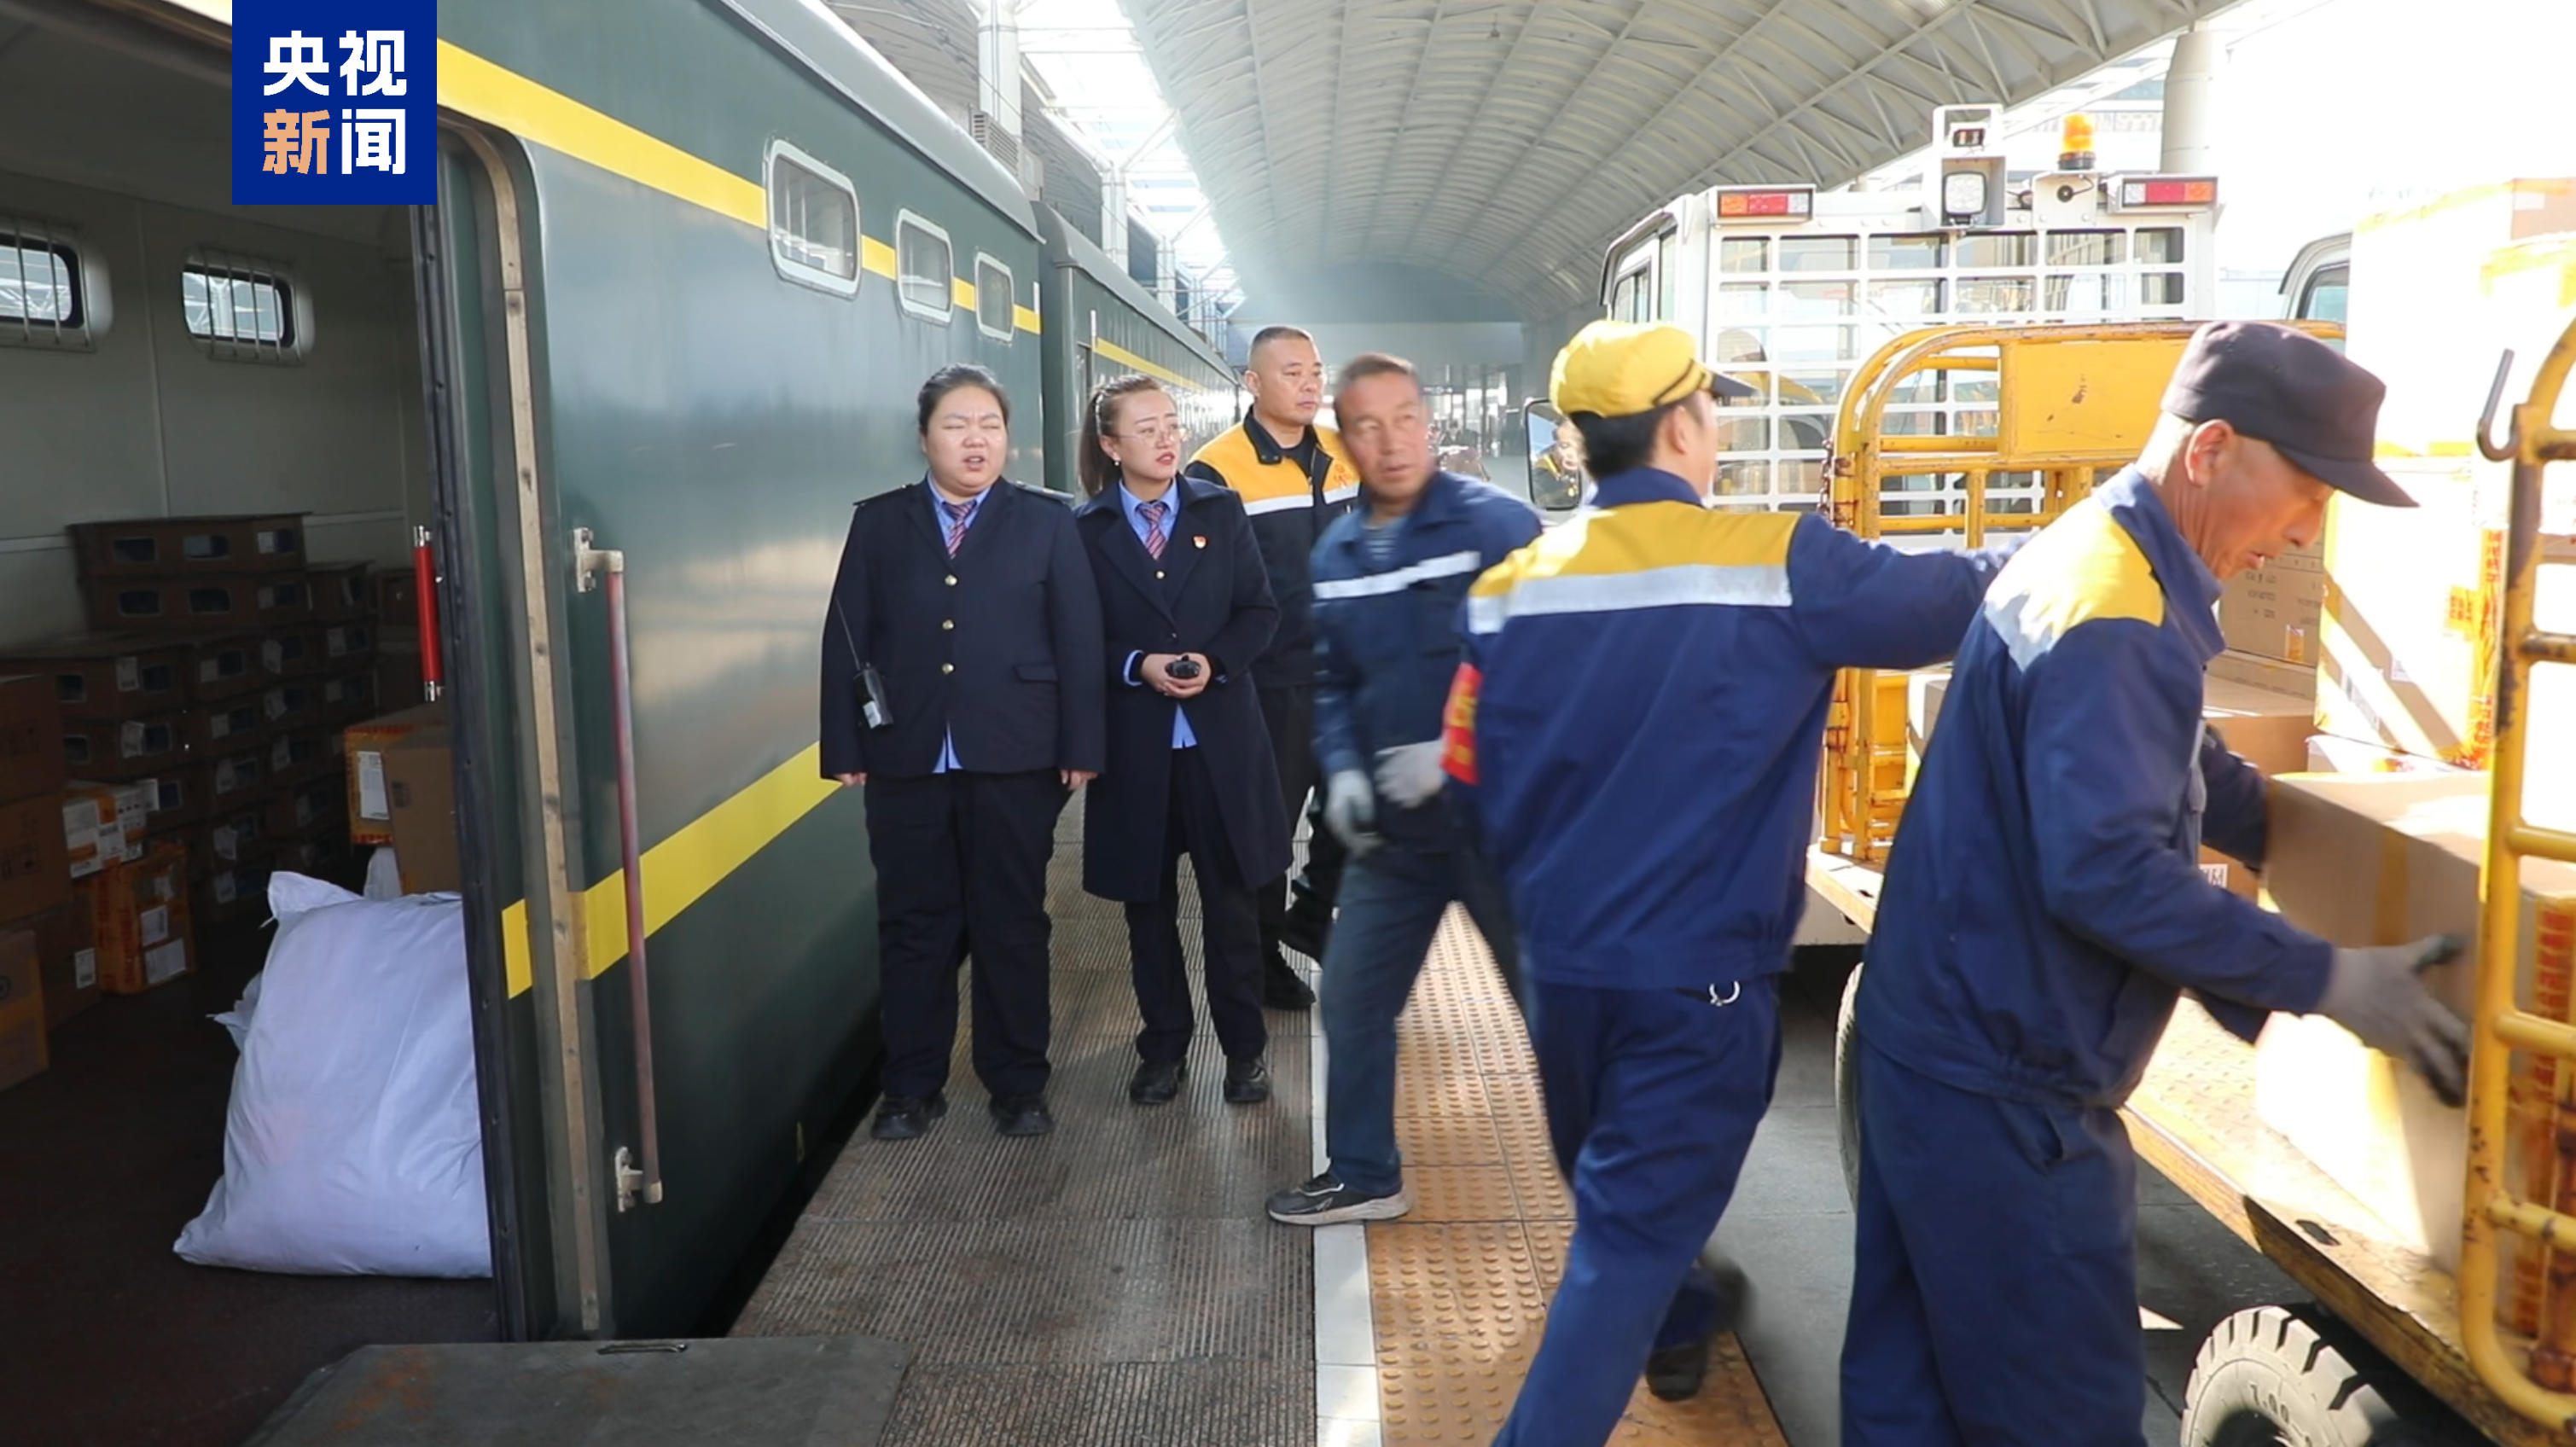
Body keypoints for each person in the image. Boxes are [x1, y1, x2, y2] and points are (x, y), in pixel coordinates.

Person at [1839, 322, 2471, 1446]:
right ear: (2210, 449)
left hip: (1930, 1050)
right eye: (2304, 492)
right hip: (2005, 1095)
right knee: (2060, 1419)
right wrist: (2328, 979)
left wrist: (2312, 832)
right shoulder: (2116, 614)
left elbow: (2167, 764)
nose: (2303, 533)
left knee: (1911, 1403)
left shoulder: (2097, 555)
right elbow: (2106, 874)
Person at [1445, 320, 2009, 1445]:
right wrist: (2106, 530)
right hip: (1693, 986)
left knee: (1620, 1200)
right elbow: (1959, 597)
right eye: (1713, 411)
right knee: (1621, 1242)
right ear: (1679, 426)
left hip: (1562, 979)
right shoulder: (1773, 559)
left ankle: (1684, 1314)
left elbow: (1465, 783)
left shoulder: (1506, 590)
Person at [1263, 353, 1539, 1228]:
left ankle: (1637, 1200)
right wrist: (1345, 769)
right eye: (1367, 427)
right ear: (1344, 442)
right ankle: (1364, 1173)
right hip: (1395, 840)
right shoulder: (1339, 553)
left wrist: (1457, 751)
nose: (1390, 442)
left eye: (1405, 420)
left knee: (1561, 1012)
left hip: (1503, 829)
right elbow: (1334, 681)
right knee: (1352, 999)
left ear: (1429, 423)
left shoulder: (1497, 527)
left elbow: (1549, 667)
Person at [820, 364, 1106, 1142]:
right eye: (956, 425)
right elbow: (847, 635)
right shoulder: (881, 524)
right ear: (924, 438)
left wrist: (1082, 743)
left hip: (1017, 752)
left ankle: (1018, 1084)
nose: (975, 441)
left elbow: (1079, 637)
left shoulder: (1046, 520)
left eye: (989, 426)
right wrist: (844, 744)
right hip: (905, 755)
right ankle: (911, 1086)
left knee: (1011, 922)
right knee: (914, 923)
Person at [1074, 375, 1288, 1107]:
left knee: (1231, 908)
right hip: (1135, 752)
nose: (1167, 440)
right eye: (1147, 429)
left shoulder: (1219, 511)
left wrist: (1214, 662)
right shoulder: (1085, 531)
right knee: (1147, 909)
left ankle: (1244, 1053)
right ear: (1110, 446)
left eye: (1170, 424)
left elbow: (1259, 612)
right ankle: (1163, 1048)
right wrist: (1138, 665)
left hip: (1219, 743)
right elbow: (1074, 638)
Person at [1185, 325, 1359, 1004]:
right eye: (1292, 372)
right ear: (1252, 383)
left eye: (1315, 370)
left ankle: (1310, 913)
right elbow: (1204, 588)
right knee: (1263, 833)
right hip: (1267, 683)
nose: (1309, 383)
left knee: (1356, 815)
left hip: (1347, 676)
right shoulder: (1216, 469)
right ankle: (1258, 961)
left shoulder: (1345, 452)